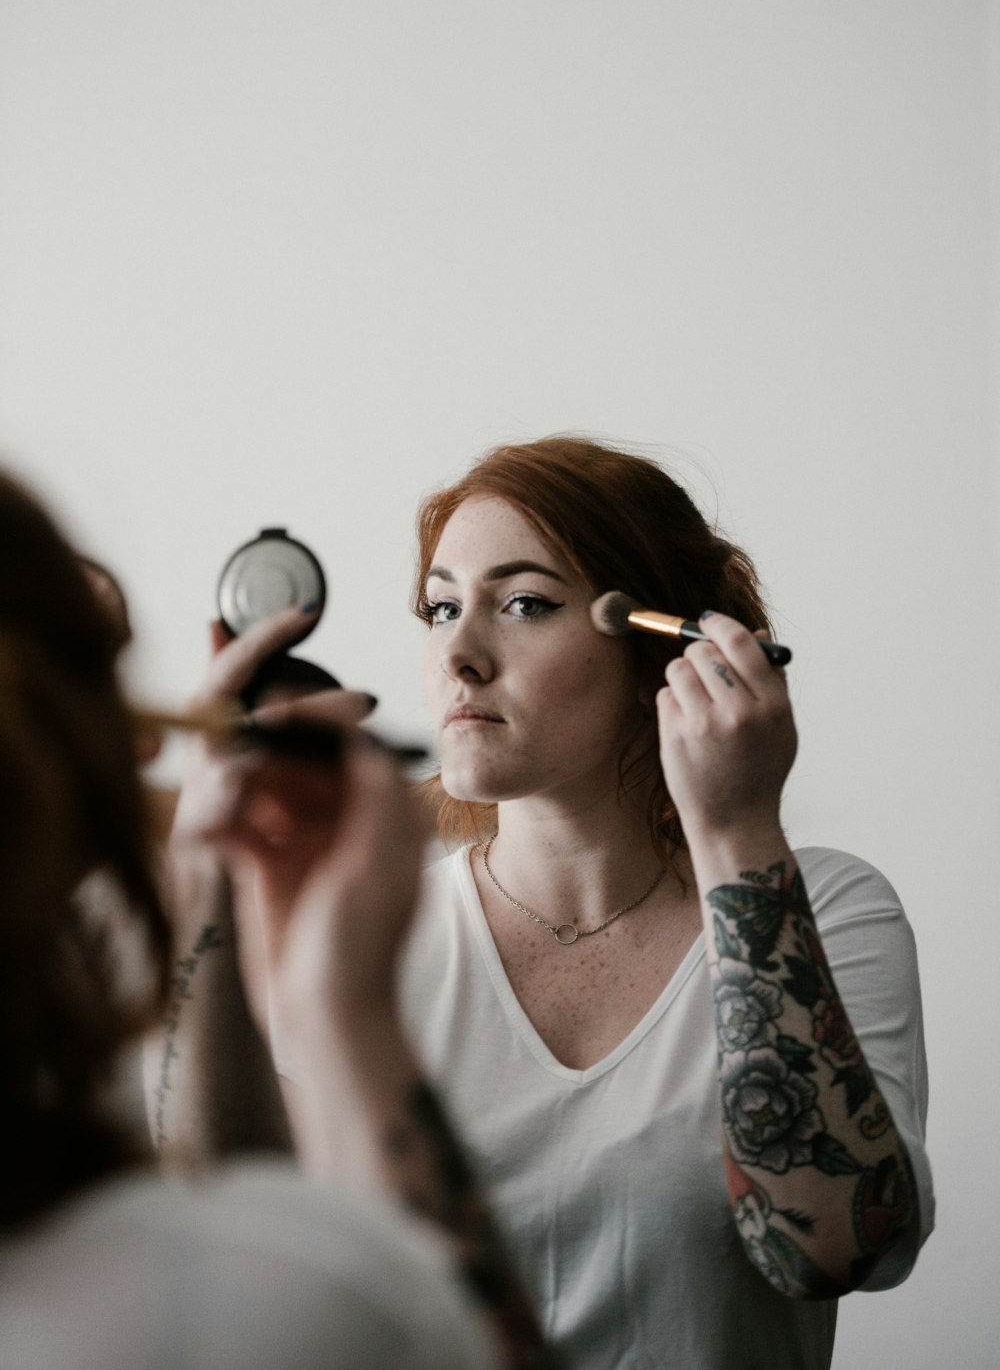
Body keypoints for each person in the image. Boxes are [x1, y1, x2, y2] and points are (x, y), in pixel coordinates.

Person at [162, 435, 933, 1370]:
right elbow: (237, 1216)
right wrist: (208, 883)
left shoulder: (828, 906)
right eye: (440, 607)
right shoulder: (369, 919)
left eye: (524, 603)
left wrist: (736, 829)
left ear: (667, 646)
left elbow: (825, 1249)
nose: (460, 653)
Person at [0, 468, 545, 1370]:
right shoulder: (299, 1299)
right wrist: (341, 1004)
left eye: (525, 602)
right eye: (440, 608)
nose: (150, 743)